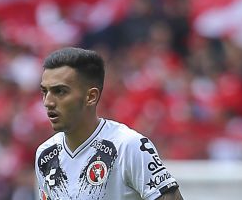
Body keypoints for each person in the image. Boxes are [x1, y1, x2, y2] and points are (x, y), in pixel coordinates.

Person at [35, 47, 183, 200]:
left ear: (91, 97)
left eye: (60, 91)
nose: (48, 102)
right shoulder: (45, 154)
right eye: (45, 92)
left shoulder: (128, 146)